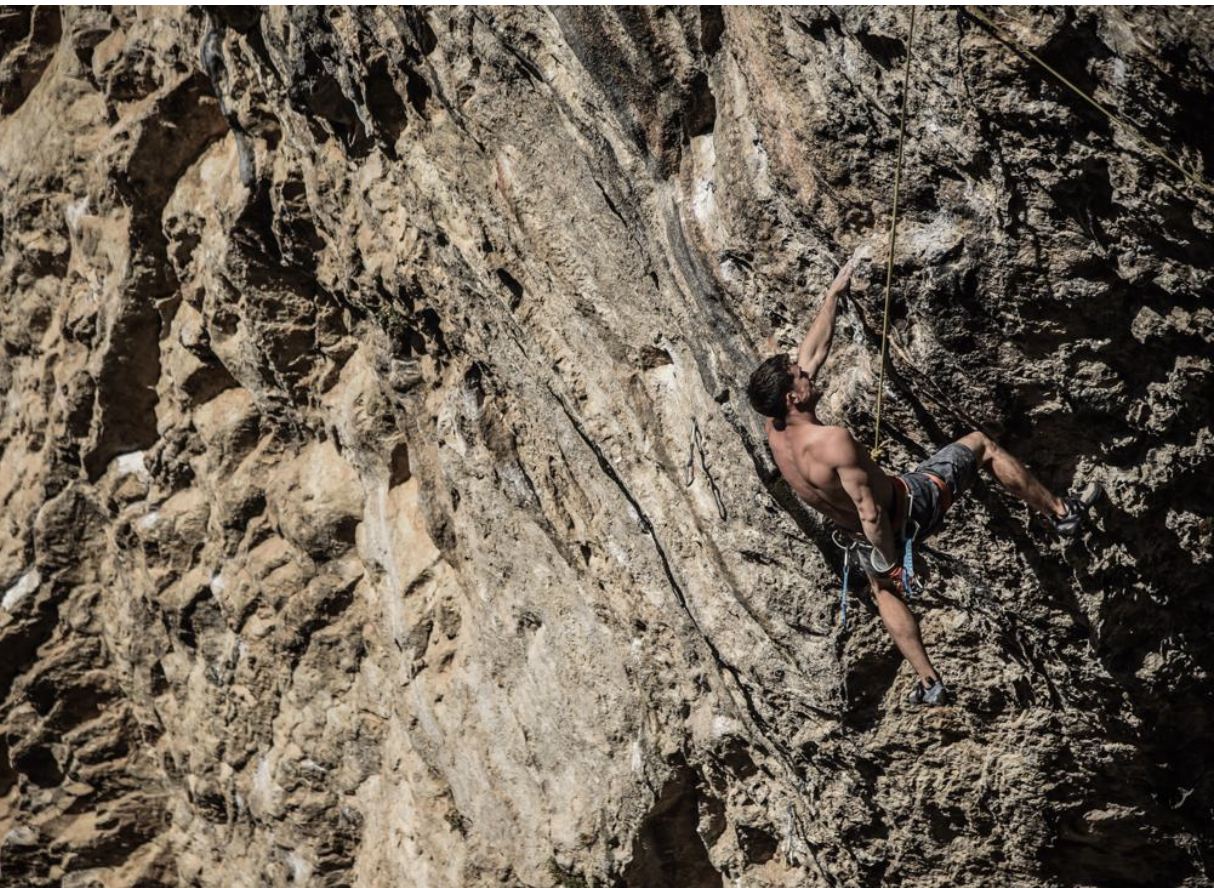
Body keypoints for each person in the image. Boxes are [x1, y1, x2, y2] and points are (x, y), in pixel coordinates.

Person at [746, 255, 1099, 706]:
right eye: (799, 378)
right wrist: (891, 558)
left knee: (881, 590)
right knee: (979, 445)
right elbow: (870, 510)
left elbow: (810, 354)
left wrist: (834, 295)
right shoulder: (831, 442)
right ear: (794, 396)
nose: (805, 372)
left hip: (854, 537)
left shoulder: (776, 431)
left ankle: (930, 682)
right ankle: (1062, 514)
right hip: (909, 508)